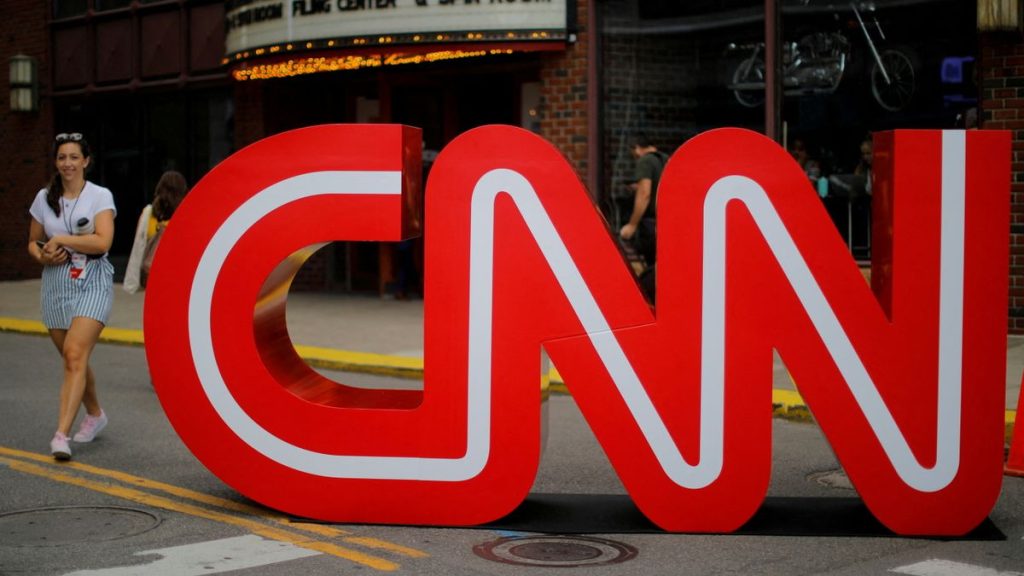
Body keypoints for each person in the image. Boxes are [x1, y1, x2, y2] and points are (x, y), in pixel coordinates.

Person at [27, 132, 116, 460]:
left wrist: (62, 239)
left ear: (86, 161)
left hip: (92, 280)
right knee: (72, 358)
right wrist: (43, 256)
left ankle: (61, 435)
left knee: (75, 353)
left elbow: (102, 241)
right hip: (56, 283)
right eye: (62, 157)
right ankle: (95, 414)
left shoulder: (100, 196)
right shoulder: (43, 198)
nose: (68, 163)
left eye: (74, 157)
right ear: (56, 162)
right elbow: (32, 242)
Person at [123, 170, 188, 294]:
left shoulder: (149, 212)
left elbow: (139, 243)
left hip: (153, 275)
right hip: (177, 276)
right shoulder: (185, 215)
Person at [619, 134, 668, 271]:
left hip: (650, 224)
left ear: (636, 148)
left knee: (651, 267)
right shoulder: (665, 159)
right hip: (665, 222)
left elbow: (645, 193)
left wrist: (632, 224)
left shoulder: (645, 161)